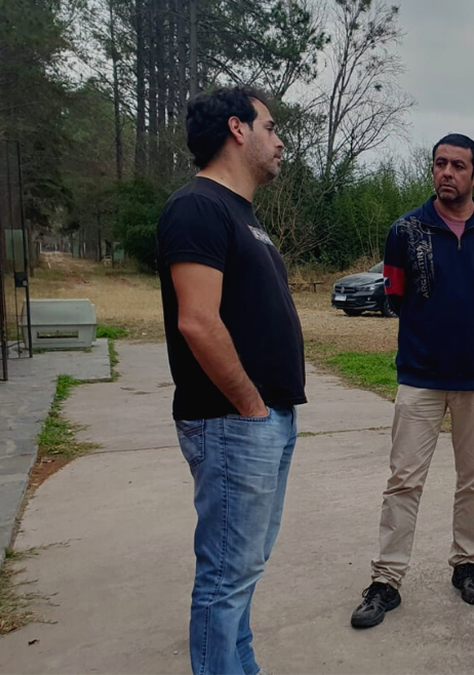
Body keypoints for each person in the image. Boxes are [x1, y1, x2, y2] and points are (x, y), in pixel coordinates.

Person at [156, 86, 304, 675]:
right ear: (237, 130)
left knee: (241, 572)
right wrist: (250, 407)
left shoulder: (242, 214)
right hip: (232, 422)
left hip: (262, 421)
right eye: (271, 126)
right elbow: (197, 320)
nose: (280, 139)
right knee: (224, 577)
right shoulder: (197, 207)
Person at [350, 133, 474, 629]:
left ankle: (466, 565)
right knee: (403, 480)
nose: (447, 172)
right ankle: (386, 580)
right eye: (440, 164)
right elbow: (397, 296)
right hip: (421, 376)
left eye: (458, 166)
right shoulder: (405, 231)